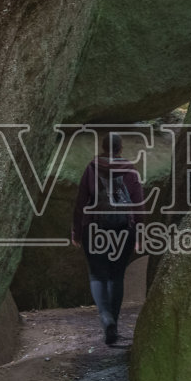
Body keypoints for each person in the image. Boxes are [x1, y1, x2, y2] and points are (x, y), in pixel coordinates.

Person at [71, 133, 144, 345]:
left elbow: (80, 202)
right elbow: (138, 204)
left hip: (94, 228)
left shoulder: (92, 168)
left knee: (97, 275)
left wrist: (76, 231)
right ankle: (114, 328)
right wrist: (139, 233)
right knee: (116, 276)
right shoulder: (130, 169)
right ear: (120, 148)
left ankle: (105, 317)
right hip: (123, 229)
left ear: (103, 147)